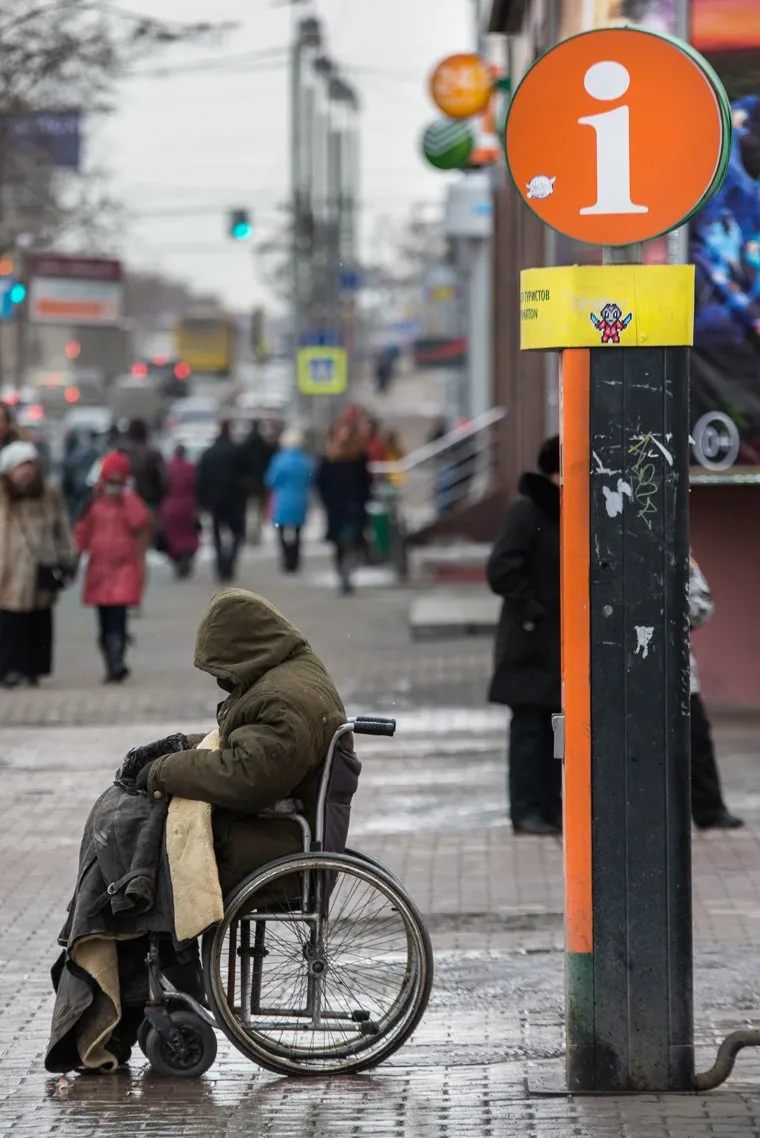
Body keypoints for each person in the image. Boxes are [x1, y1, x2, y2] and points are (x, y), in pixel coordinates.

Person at [45, 588, 356, 1071]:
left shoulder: (282, 698)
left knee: (130, 867)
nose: (219, 679)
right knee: (131, 839)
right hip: (274, 834)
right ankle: (152, 976)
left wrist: (167, 769)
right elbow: (245, 754)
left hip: (271, 848)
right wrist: (177, 750)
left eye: (220, 667)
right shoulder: (287, 677)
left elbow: (248, 778)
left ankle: (128, 984)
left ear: (244, 649)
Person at [486, 436, 561, 836]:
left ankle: (553, 806)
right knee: (530, 732)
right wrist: (533, 611)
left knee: (556, 730)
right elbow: (501, 569)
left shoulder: (566, 511)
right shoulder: (528, 510)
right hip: (529, 644)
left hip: (556, 646)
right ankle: (526, 809)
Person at [0, 441, 77, 688]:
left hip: (39, 570)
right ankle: (9, 669)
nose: (27, 471)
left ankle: (33, 670)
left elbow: (62, 530)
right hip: (7, 572)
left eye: (30, 465)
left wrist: (67, 561)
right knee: (9, 623)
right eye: (22, 466)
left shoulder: (49, 495)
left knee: (38, 623)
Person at [75, 452, 152, 684]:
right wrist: (73, 556)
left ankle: (117, 661)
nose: (113, 488)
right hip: (99, 572)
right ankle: (110, 661)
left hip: (123, 572)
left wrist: (127, 497)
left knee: (118, 619)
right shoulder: (93, 505)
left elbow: (140, 521)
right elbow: (82, 533)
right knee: (104, 622)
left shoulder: (129, 503)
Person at [688, 554, 744, 830]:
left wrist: (666, 608)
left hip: (679, 673)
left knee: (696, 740)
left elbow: (703, 604)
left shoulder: (675, 550)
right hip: (624, 671)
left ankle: (709, 809)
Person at [317, 421, 372, 595]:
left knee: (352, 540)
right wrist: (327, 501)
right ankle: (342, 574)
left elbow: (365, 481)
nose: (344, 436)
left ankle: (347, 572)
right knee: (339, 543)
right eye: (340, 432)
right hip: (335, 507)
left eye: (346, 432)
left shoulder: (359, 456)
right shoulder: (328, 456)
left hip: (354, 505)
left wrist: (363, 498)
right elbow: (321, 481)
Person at [197, 421, 248, 583]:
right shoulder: (238, 452)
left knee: (217, 534)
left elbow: (201, 479)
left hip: (215, 500)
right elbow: (245, 476)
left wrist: (202, 501)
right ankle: (230, 562)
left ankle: (220, 566)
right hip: (235, 500)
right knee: (237, 534)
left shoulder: (209, 453)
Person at [265, 428, 312, 574]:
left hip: (282, 499)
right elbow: (311, 479)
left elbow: (270, 480)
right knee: (298, 531)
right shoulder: (305, 461)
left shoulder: (279, 460)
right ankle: (295, 559)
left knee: (280, 529)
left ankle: (286, 558)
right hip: (300, 499)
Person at [158, 444, 201, 579]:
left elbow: (160, 487)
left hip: (169, 506)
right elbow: (197, 487)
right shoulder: (191, 468)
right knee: (188, 534)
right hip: (188, 506)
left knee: (172, 536)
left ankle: (177, 559)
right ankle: (186, 554)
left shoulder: (167, 468)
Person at [240, 420, 276, 546]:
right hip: (261, 483)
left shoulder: (244, 446)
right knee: (259, 510)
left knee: (249, 510)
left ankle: (250, 534)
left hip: (246, 485)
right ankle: (258, 533)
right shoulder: (264, 446)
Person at [61, 430, 101, 522]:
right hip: (88, 490)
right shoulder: (92, 452)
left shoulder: (70, 457)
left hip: (76, 494)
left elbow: (66, 480)